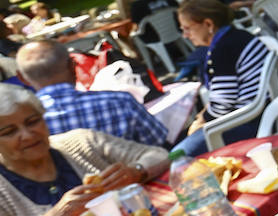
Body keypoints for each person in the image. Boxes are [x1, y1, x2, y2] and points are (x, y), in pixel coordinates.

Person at [0, 83, 169, 216]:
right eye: (9, 132)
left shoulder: (80, 142)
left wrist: (137, 171)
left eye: (32, 121)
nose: (27, 135)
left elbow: (159, 155)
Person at [16, 41, 167, 146]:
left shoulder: (24, 129)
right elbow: (159, 141)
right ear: (73, 66)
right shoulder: (120, 101)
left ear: (22, 78)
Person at [171, 0, 271, 156]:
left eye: (187, 28)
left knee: (178, 154)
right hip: (259, 110)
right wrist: (201, 117)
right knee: (182, 139)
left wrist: (201, 121)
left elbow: (221, 107)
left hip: (250, 120)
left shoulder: (223, 50)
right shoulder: (236, 36)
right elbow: (223, 96)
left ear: (208, 25)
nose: (185, 35)